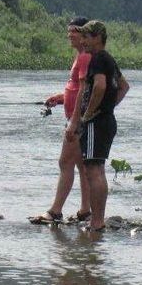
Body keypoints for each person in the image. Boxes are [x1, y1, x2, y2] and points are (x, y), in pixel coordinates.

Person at [65, 20, 129, 233]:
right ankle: (97, 220)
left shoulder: (98, 59)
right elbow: (123, 86)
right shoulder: (108, 58)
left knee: (93, 170)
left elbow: (100, 86)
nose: (83, 41)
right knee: (96, 168)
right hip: (106, 120)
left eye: (86, 37)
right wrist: (109, 107)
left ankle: (97, 221)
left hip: (96, 123)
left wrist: (89, 114)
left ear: (97, 38)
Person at [30, 16, 92, 226]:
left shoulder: (84, 57)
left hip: (77, 121)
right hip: (78, 118)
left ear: (84, 35)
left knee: (65, 162)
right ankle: (85, 210)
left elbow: (85, 91)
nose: (69, 36)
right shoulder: (82, 56)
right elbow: (77, 90)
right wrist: (61, 98)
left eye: (73, 32)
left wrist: (74, 122)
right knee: (82, 166)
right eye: (68, 32)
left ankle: (55, 211)